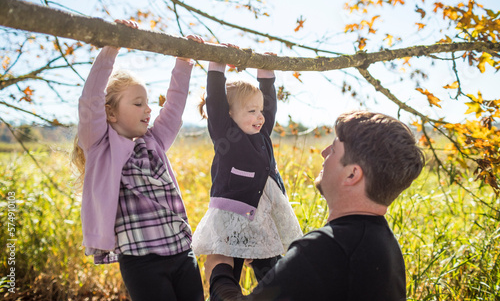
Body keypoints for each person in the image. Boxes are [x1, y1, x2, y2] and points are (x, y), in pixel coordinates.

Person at [205, 110, 425, 301]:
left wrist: (219, 268)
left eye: (335, 148)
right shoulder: (383, 244)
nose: (324, 152)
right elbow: (309, 285)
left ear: (352, 174)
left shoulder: (323, 247)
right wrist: (263, 262)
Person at [71, 19, 205, 301]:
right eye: (138, 103)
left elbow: (174, 106)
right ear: (111, 113)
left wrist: (184, 62)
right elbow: (90, 100)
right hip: (141, 260)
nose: (148, 109)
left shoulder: (154, 141)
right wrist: (111, 48)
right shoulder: (100, 146)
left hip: (182, 252)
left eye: (147, 102)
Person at [192, 44, 303, 284]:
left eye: (259, 110)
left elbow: (270, 107)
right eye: (251, 111)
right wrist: (217, 64)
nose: (260, 116)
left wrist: (265, 71)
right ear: (229, 113)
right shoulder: (225, 135)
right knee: (230, 268)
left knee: (270, 268)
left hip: (264, 215)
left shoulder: (261, 132)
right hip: (234, 214)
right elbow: (216, 102)